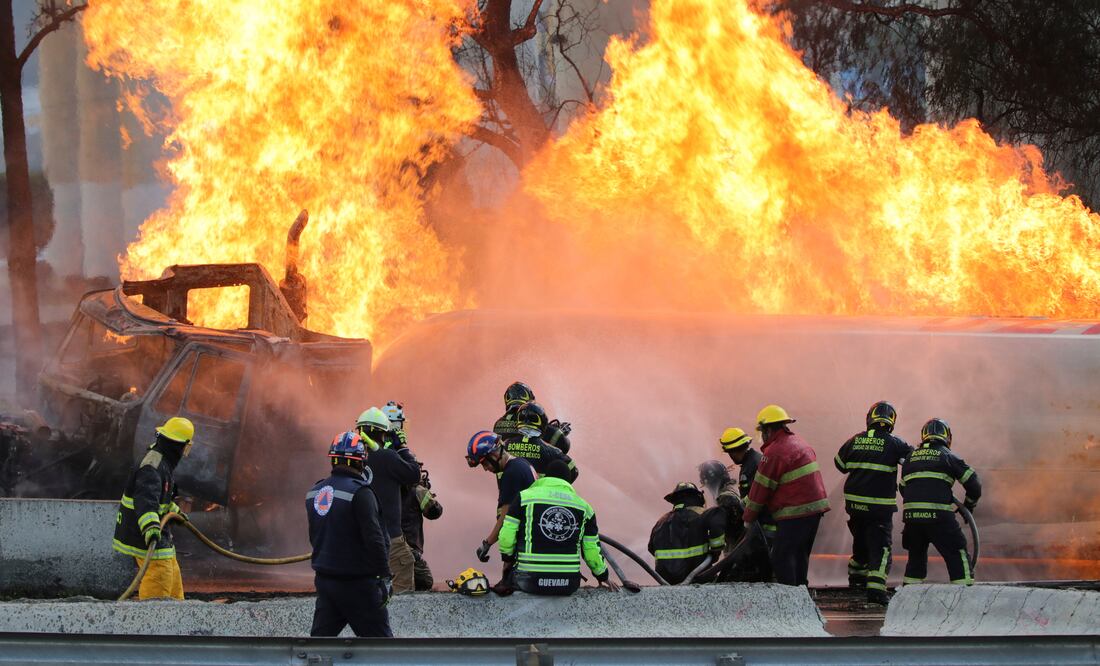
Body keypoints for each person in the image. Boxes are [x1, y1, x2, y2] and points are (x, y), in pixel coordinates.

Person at [305, 431, 392, 637]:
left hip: (325, 582)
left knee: (319, 645)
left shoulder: (315, 492)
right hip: (359, 585)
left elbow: (315, 536)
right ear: (361, 461)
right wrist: (384, 577)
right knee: (383, 648)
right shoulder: (360, 493)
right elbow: (375, 539)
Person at [498, 459, 619, 595]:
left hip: (529, 582)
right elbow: (591, 551)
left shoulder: (523, 498)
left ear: (546, 477)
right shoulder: (585, 508)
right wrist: (603, 576)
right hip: (568, 584)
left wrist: (507, 561)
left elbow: (506, 537)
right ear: (567, 482)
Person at [742, 405, 830, 586]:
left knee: (781, 557)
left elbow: (761, 489)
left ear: (768, 430)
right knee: (800, 554)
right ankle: (801, 593)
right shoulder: (799, 442)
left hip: (795, 512)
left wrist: (748, 517)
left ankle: (789, 596)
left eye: (762, 432)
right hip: (814, 510)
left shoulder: (774, 452)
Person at [835, 400, 913, 604]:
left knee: (860, 544)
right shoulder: (895, 444)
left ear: (870, 418)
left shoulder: (854, 440)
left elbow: (840, 464)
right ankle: (876, 591)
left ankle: (856, 581)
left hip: (854, 508)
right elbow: (914, 462)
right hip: (879, 510)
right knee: (881, 549)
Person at [112, 416, 195, 600]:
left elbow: (160, 498)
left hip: (157, 532)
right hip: (143, 533)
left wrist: (174, 512)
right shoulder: (152, 465)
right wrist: (150, 526)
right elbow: (146, 501)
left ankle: (175, 613)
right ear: (182, 446)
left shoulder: (163, 462)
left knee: (171, 572)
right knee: (160, 573)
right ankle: (152, 615)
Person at [900, 418, 981, 586]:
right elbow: (974, 484)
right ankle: (963, 594)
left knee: (915, 559)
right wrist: (968, 505)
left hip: (912, 519)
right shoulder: (948, 456)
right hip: (939, 517)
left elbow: (903, 488)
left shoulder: (909, 458)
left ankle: (909, 596)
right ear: (947, 437)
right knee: (957, 554)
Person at [358, 407, 420, 594]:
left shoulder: (354, 458)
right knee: (400, 589)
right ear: (383, 433)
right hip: (390, 538)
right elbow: (414, 474)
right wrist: (402, 447)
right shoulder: (387, 457)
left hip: (360, 538)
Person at [383, 401, 443, 591]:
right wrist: (422, 488)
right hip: (404, 547)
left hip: (379, 541)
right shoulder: (415, 487)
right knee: (423, 581)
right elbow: (434, 512)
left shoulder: (377, 458)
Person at [466, 430, 536, 567]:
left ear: (494, 454)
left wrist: (487, 543)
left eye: (485, 463)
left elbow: (506, 519)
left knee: (509, 579)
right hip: (531, 540)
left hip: (524, 544)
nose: (485, 469)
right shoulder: (521, 463)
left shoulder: (511, 474)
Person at [698, 460, 772, 582]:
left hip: (743, 557)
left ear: (710, 482)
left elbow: (734, 531)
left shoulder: (726, 498)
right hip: (746, 552)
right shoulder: (731, 491)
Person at [648, 481, 719, 585]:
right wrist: (715, 552)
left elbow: (651, 548)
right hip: (699, 579)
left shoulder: (660, 522)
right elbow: (717, 534)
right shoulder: (700, 517)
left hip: (667, 582)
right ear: (697, 498)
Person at [720, 427, 777, 542]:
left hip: (766, 525)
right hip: (766, 521)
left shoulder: (751, 466)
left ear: (733, 451)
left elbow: (756, 496)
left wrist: (739, 508)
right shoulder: (753, 460)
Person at [501, 402, 579, 480]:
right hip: (541, 487)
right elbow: (573, 471)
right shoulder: (551, 451)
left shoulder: (504, 445)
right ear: (542, 422)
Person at [493, 382, 572, 453]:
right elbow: (564, 445)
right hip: (530, 462)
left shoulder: (498, 424)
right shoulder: (527, 421)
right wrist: (560, 431)